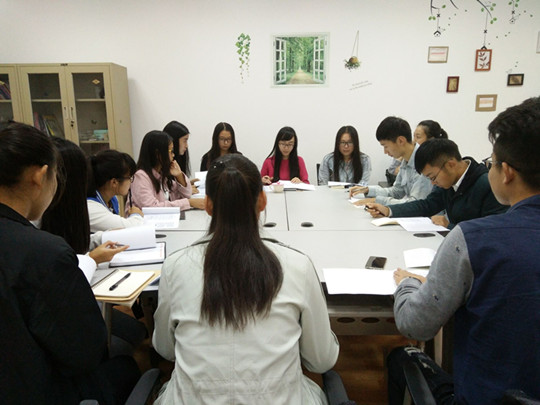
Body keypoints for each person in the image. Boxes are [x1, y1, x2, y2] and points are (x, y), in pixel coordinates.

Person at [387, 97, 540, 404]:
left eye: (491, 163)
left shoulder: (474, 239)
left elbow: (415, 323)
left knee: (400, 357)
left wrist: (408, 284)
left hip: (486, 397)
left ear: (507, 172)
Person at [152, 154, 339, 404]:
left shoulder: (175, 267)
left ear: (208, 205)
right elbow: (321, 360)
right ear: (263, 200)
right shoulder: (298, 266)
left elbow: (165, 349)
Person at [0, 123, 140, 404]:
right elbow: (87, 351)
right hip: (45, 391)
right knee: (129, 364)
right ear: (40, 176)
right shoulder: (45, 254)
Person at [365, 138, 507, 229]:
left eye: (433, 177)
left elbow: (492, 232)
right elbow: (427, 205)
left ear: (451, 164)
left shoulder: (487, 185)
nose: (433, 183)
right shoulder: (448, 183)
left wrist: (450, 226)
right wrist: (388, 210)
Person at [350, 116, 432, 205]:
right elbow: (396, 192)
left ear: (401, 141)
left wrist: (376, 201)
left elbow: (415, 203)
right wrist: (368, 190)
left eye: (386, 146)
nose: (385, 152)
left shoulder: (424, 161)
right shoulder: (406, 160)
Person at [130, 130, 204, 211]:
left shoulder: (161, 175)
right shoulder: (140, 177)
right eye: (171, 151)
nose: (173, 155)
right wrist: (189, 203)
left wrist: (179, 176)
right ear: (157, 154)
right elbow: (152, 208)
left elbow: (187, 194)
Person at [87, 149, 144, 232]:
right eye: (129, 178)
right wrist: (136, 214)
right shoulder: (91, 208)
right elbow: (129, 228)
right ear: (114, 182)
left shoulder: (112, 200)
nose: (131, 182)